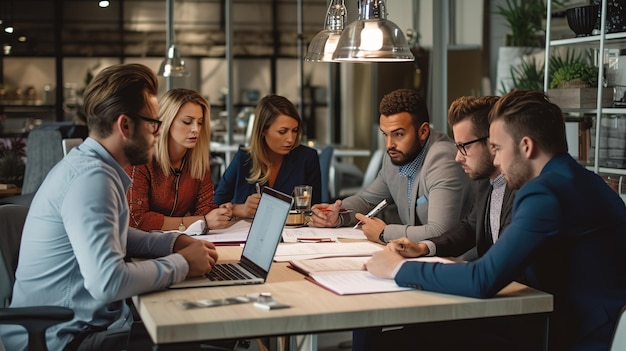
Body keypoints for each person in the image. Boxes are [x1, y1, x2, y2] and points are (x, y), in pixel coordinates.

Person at [366, 89, 626, 351]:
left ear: (526, 146)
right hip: (567, 319)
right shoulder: (571, 177)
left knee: (393, 342)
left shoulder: (545, 191)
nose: (497, 161)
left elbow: (482, 278)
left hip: (574, 333)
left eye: (498, 149)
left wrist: (396, 269)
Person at [0, 63, 219, 351]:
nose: (157, 134)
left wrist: (173, 241)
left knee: (190, 327)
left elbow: (119, 235)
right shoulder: (92, 180)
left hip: (87, 325)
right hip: (69, 337)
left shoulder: (95, 167)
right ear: (125, 125)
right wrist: (183, 263)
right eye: (154, 124)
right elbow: (108, 283)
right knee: (190, 335)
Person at [311, 88, 475, 244]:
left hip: (457, 261)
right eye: (385, 134)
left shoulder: (443, 159)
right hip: (417, 256)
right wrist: (338, 215)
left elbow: (440, 231)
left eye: (398, 134)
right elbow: (367, 200)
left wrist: (384, 233)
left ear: (423, 131)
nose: (389, 145)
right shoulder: (395, 156)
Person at [398, 95, 516, 260]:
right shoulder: (486, 182)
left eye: (464, 146)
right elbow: (469, 227)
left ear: (492, 141)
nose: (458, 157)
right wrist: (424, 247)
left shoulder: (522, 188)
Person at [125, 88, 232, 232]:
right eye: (187, 122)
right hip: (140, 248)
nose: (196, 129)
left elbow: (204, 209)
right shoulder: (140, 160)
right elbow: (137, 220)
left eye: (200, 123)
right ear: (166, 122)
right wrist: (201, 221)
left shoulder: (197, 161)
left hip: (179, 243)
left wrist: (220, 213)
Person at [214, 94, 322, 218]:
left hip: (293, 234)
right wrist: (240, 209)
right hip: (245, 234)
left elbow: (315, 209)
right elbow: (214, 205)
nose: (290, 139)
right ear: (263, 130)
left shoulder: (307, 158)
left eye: (295, 130)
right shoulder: (244, 158)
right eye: (283, 132)